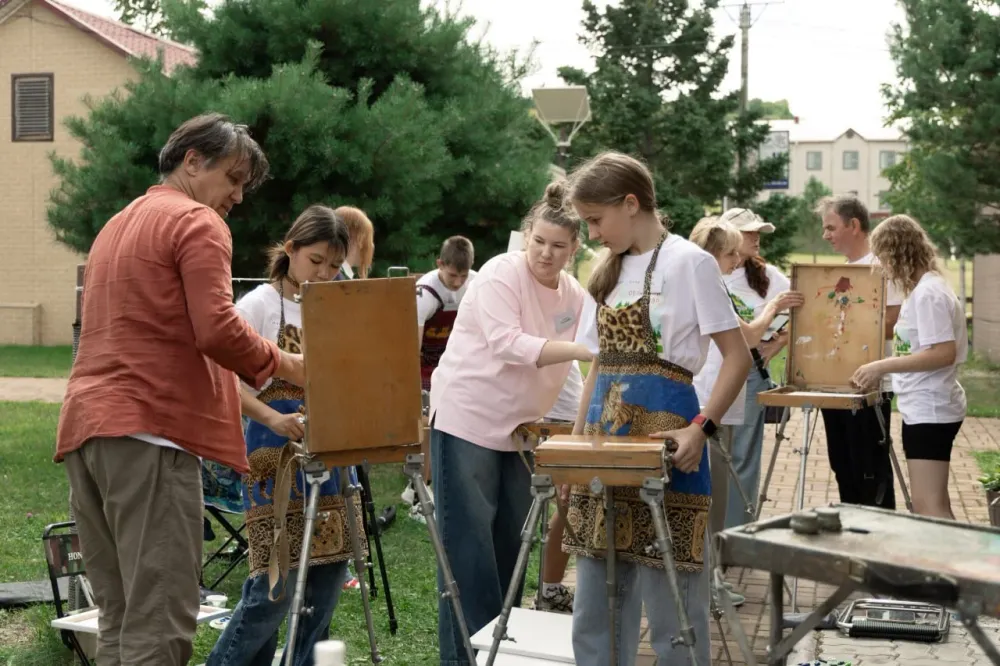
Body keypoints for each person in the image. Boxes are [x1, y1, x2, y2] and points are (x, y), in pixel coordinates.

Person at [54, 113, 305, 665]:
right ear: (193, 160)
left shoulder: (118, 223)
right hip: (152, 435)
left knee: (119, 620)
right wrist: (292, 363)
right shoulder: (197, 221)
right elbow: (216, 327)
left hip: (88, 431)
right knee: (161, 626)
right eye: (234, 179)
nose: (237, 196)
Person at [564, 152, 751, 666]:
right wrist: (576, 446)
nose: (594, 233)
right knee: (595, 606)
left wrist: (701, 429)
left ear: (631, 203)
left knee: (673, 607)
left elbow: (737, 358)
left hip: (671, 447)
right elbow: (597, 368)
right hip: (604, 448)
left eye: (596, 220)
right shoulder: (606, 271)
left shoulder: (691, 262)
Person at [429, 182, 591, 665]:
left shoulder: (574, 295)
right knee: (469, 549)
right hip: (468, 420)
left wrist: (577, 439)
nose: (546, 253)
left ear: (574, 249)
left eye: (559, 246)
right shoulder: (500, 273)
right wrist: (584, 347)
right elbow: (509, 344)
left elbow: (573, 376)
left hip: (522, 432)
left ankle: (498, 652)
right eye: (539, 241)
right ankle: (463, 658)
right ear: (526, 236)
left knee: (512, 546)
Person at [207, 205, 359, 666]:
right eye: (316, 261)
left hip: (330, 452)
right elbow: (223, 379)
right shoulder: (258, 304)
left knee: (328, 577)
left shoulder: (335, 303)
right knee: (276, 584)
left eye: (334, 265)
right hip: (274, 453)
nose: (324, 273)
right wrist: (272, 419)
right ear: (290, 248)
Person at [688, 216, 802, 607]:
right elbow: (748, 336)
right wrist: (771, 309)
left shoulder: (706, 280)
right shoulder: (707, 283)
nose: (738, 260)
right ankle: (707, 583)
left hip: (718, 395)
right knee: (712, 494)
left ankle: (708, 579)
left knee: (717, 488)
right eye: (730, 253)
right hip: (711, 398)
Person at [851, 215, 967, 519]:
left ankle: (953, 566)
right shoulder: (921, 291)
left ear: (897, 254)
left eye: (884, 258)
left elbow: (943, 353)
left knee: (930, 506)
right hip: (924, 407)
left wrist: (881, 366)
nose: (883, 268)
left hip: (932, 408)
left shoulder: (929, 294)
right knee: (929, 503)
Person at [718, 207, 800, 537]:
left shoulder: (769, 277)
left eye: (758, 232)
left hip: (750, 374)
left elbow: (801, 311)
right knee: (712, 456)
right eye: (749, 232)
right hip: (710, 373)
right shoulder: (710, 271)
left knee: (743, 456)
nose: (756, 238)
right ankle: (710, 536)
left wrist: (777, 345)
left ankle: (737, 534)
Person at [818, 195, 900, 509]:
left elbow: (894, 321)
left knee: (870, 468)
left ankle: (878, 536)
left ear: (854, 225)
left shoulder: (882, 267)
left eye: (830, 227)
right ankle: (852, 531)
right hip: (835, 382)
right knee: (843, 465)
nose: (825, 235)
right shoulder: (841, 272)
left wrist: (847, 331)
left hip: (870, 385)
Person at [417, 236, 477, 391]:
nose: (458, 282)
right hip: (425, 365)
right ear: (440, 264)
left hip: (457, 361)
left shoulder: (476, 284)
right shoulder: (424, 294)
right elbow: (412, 349)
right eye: (452, 275)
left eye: (463, 276)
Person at [334, 205, 375, 279]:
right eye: (368, 238)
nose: (371, 245)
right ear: (358, 238)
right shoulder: (337, 278)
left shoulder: (339, 274)